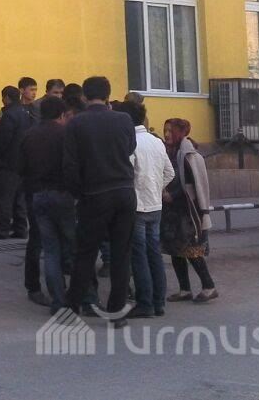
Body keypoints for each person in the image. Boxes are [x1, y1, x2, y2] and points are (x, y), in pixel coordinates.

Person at [64, 76, 137, 326]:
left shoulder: (77, 123)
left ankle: (72, 308)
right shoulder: (124, 119)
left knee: (85, 253)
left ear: (84, 96)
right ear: (108, 95)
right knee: (121, 254)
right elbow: (130, 148)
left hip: (95, 193)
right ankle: (117, 313)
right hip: (125, 191)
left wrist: (78, 193)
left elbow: (70, 165)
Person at [17, 97, 74, 313]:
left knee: (46, 247)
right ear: (61, 114)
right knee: (70, 245)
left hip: (37, 195)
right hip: (63, 194)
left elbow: (20, 167)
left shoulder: (29, 135)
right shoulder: (66, 134)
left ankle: (54, 297)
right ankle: (77, 295)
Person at [119, 101, 174, 319]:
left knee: (139, 256)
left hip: (137, 206)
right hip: (155, 205)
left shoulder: (130, 142)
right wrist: (156, 188)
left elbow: (126, 172)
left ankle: (145, 302)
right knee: (154, 254)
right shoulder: (156, 141)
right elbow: (169, 172)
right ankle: (159, 302)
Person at [161, 118, 217, 303]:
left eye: (171, 131)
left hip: (187, 212)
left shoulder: (188, 155)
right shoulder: (169, 151)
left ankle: (209, 286)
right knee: (175, 250)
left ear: (180, 133)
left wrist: (173, 195)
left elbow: (192, 183)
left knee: (192, 250)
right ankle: (184, 289)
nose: (167, 134)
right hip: (171, 211)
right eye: (165, 130)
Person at [0, 86, 35, 240]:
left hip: (9, 162)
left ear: (7, 98)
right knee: (19, 198)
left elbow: (3, 140)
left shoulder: (8, 115)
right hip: (23, 162)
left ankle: (2, 229)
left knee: (5, 198)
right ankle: (21, 228)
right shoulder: (24, 113)